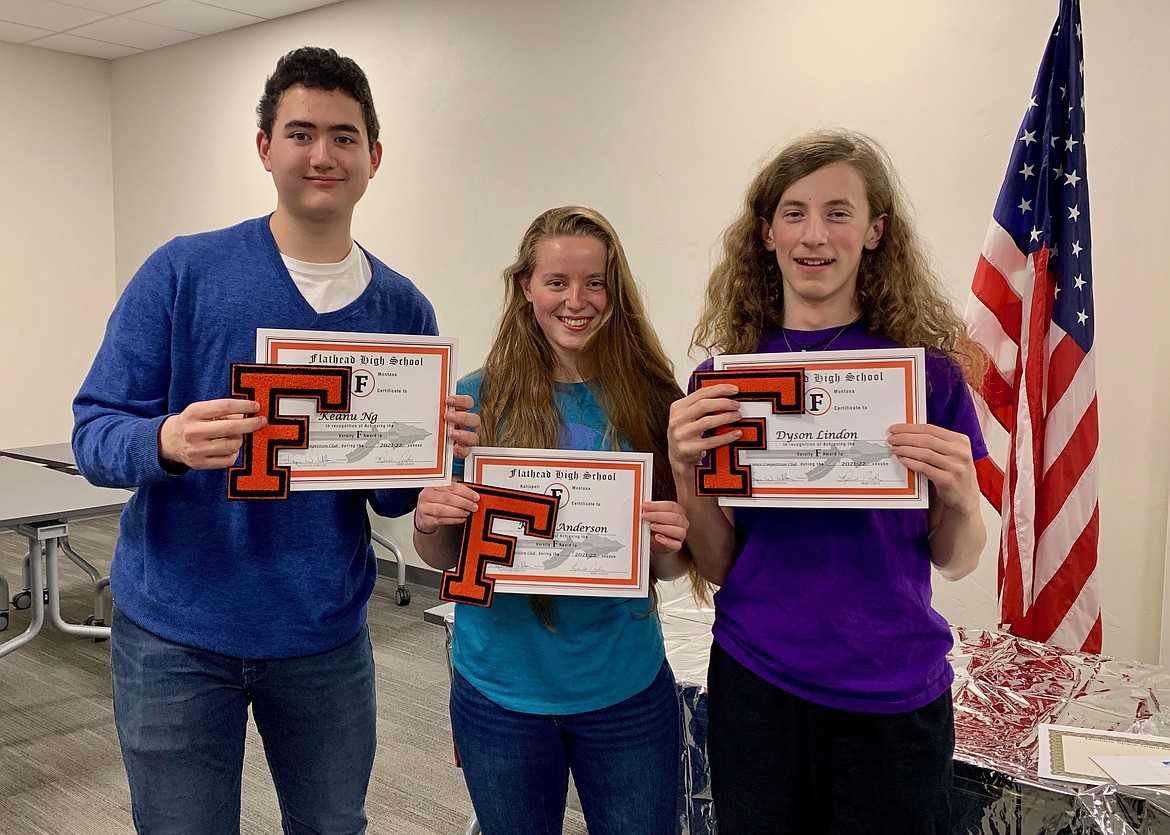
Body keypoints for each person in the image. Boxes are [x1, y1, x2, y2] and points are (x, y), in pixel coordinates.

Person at [72, 46, 477, 834]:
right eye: (300, 133)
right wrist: (167, 438)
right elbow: (94, 432)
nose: (322, 154)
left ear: (373, 158)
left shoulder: (402, 309)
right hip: (175, 632)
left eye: (344, 137)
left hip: (321, 633)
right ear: (265, 149)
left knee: (332, 824)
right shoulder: (182, 271)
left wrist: (431, 453)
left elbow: (390, 495)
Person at [668, 130, 988, 835]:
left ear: (876, 231)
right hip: (758, 683)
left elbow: (958, 558)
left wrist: (962, 493)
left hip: (894, 692)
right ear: (766, 232)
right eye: (794, 212)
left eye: (838, 212)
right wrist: (687, 471)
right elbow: (720, 564)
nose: (815, 234)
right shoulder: (724, 385)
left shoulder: (927, 377)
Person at [412, 206, 700, 835]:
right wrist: (431, 519)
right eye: (556, 282)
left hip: (624, 686)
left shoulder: (656, 398)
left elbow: (670, 567)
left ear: (614, 292)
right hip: (499, 689)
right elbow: (441, 555)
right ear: (526, 289)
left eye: (594, 282)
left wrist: (675, 539)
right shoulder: (475, 398)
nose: (577, 300)